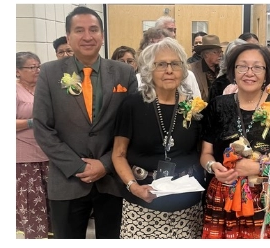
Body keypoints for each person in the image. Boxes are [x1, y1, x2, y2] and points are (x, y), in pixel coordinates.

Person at [32, 6, 137, 239]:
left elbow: (131, 128)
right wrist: (78, 167)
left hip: (113, 179)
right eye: (79, 30)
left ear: (102, 35)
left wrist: (105, 164)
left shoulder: (123, 73)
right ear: (68, 37)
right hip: (67, 179)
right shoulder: (49, 73)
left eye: (93, 30)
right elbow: (42, 127)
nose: (87, 36)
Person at [200, 42, 270, 239]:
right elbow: (206, 154)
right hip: (225, 196)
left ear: (267, 72)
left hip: (269, 196)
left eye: (257, 67)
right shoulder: (218, 105)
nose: (249, 72)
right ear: (233, 70)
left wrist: (257, 168)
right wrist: (213, 167)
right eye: (242, 66)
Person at [110, 39, 208, 238]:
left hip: (187, 205)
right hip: (143, 201)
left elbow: (202, 151)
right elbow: (118, 155)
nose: (169, 70)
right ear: (148, 70)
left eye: (175, 64)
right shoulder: (133, 105)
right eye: (161, 64)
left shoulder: (194, 106)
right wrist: (134, 187)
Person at [15, 52, 49, 239]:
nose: (37, 70)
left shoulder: (44, 88)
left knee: (49, 199)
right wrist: (32, 122)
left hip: (48, 151)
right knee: (32, 201)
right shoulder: (14, 90)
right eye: (31, 67)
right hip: (24, 153)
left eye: (38, 66)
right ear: (18, 71)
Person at [191, 35, 223, 101]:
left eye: (221, 51)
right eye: (216, 52)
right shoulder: (192, 70)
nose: (220, 55)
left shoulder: (223, 69)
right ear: (206, 54)